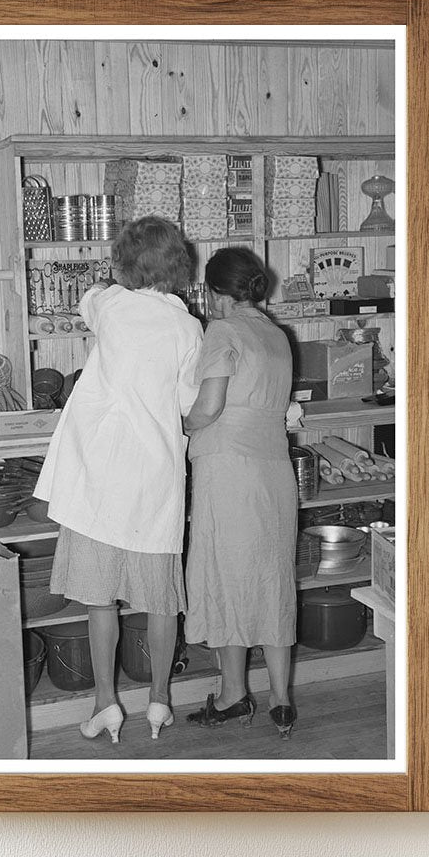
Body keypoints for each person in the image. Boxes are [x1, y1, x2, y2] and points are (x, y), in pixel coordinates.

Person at [34, 216, 202, 744]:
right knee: (160, 600)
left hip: (99, 478)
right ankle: (159, 701)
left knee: (99, 600)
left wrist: (110, 281)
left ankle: (105, 702)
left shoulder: (108, 306)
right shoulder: (189, 327)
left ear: (123, 264)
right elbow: (187, 405)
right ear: (178, 267)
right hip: (154, 478)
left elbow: (90, 298)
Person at [183, 247, 302, 739]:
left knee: (225, 576)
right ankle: (281, 700)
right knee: (274, 578)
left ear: (216, 293)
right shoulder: (278, 335)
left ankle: (233, 695)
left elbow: (208, 407)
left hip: (228, 469)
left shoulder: (223, 331)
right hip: (274, 471)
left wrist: (179, 424)